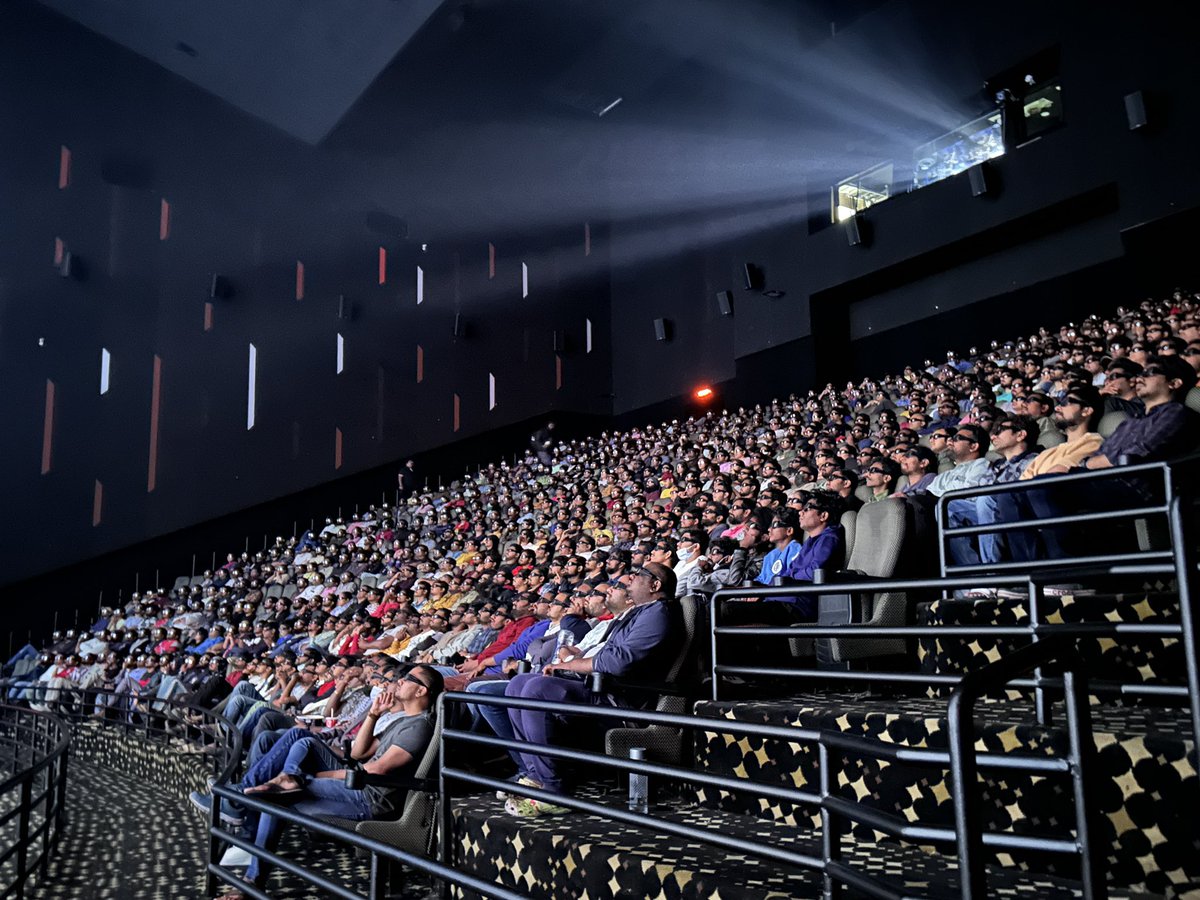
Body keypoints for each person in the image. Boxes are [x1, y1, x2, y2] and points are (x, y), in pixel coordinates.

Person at [205, 664, 442, 899]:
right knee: (301, 742)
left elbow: (376, 769)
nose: (400, 681)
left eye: (409, 678)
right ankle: (283, 781)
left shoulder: (419, 727)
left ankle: (252, 878)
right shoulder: (403, 721)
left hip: (368, 797)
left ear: (421, 691)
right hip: (359, 783)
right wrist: (373, 714)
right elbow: (359, 753)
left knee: (276, 797)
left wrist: (318, 776)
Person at [499, 562, 682, 816]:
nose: (631, 576)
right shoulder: (638, 612)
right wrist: (569, 664)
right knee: (518, 684)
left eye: (640, 574)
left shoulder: (658, 613)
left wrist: (569, 665)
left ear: (655, 585)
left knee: (537, 689)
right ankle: (537, 775)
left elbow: (616, 662)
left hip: (621, 702)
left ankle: (554, 791)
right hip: (601, 689)